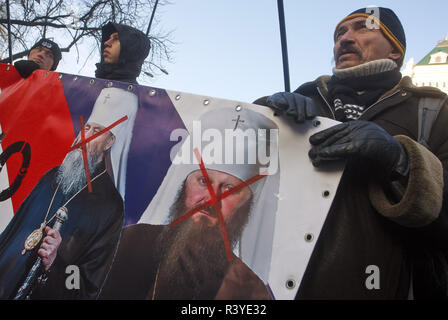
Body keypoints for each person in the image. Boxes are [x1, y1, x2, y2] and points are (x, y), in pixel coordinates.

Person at [255, 7, 448, 299]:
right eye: (340, 33)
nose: (344, 39)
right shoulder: (305, 99)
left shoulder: (435, 112)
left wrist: (399, 161)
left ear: (395, 50)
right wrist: (260, 116)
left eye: (362, 28)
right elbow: (243, 189)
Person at [99, 107, 280, 299]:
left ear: (248, 204)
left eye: (230, 189)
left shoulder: (248, 288)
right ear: (184, 184)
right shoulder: (128, 241)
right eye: (203, 181)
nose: (210, 199)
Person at [0, 87, 138, 299]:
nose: (85, 136)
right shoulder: (52, 176)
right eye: (86, 127)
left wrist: (54, 262)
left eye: (97, 131)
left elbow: (88, 285)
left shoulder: (110, 207)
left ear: (110, 142)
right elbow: (12, 231)